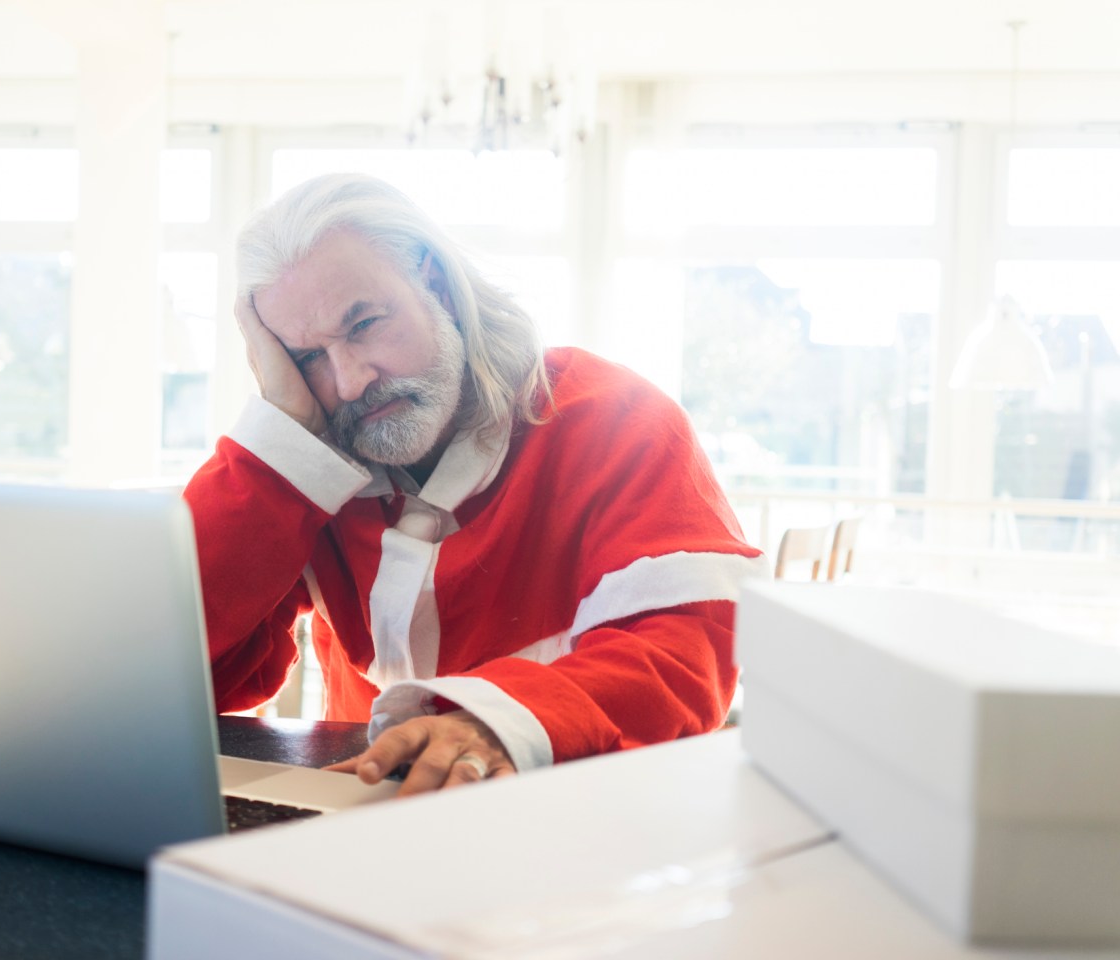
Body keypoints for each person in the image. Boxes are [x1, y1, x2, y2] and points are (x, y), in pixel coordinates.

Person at [183, 173, 766, 797]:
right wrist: (277, 445)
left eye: (365, 325)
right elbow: (179, 675)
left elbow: (690, 644)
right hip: (363, 813)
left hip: (581, 819)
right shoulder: (309, 457)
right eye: (306, 358)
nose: (349, 382)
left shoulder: (616, 416)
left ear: (435, 281)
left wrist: (500, 725)